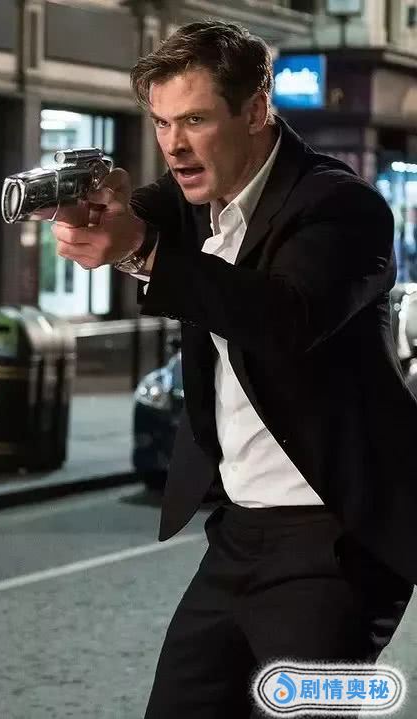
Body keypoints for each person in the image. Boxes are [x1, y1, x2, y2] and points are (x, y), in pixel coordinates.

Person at [51, 20, 417, 718]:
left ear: (255, 111)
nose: (174, 144)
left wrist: (144, 250)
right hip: (238, 533)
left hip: (334, 539)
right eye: (161, 122)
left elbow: (283, 317)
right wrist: (96, 211)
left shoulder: (342, 207)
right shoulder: (193, 199)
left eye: (195, 119)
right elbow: (136, 215)